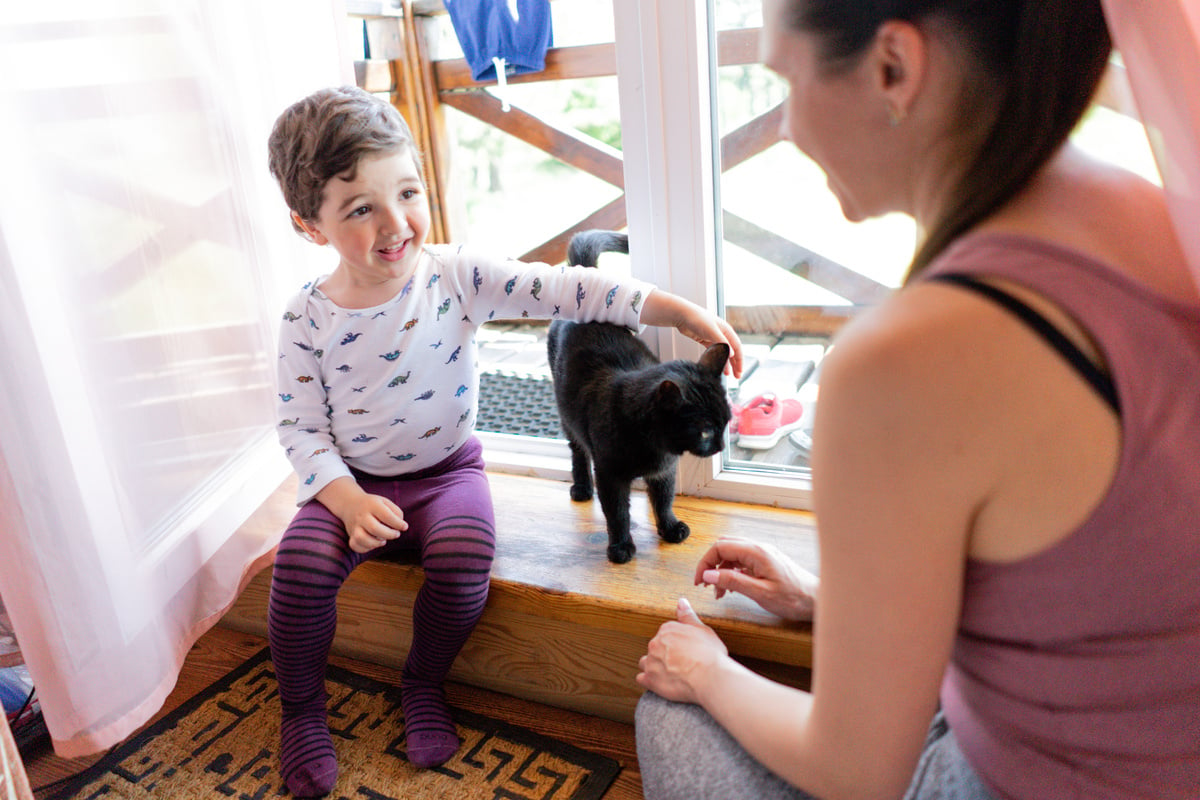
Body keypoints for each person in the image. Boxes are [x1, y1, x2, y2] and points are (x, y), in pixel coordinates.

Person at [634, 1, 1200, 799]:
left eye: (788, 81)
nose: (789, 127)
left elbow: (857, 772)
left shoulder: (907, 357)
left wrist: (709, 674)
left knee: (668, 717)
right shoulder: (1143, 207)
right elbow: (1098, 589)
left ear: (894, 66)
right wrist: (828, 601)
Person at [264, 85, 742, 798]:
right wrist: (341, 496)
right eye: (361, 208)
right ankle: (301, 711)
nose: (397, 224)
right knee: (295, 570)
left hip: (446, 475)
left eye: (408, 192)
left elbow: (569, 290)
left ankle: (422, 683)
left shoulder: (455, 276)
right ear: (309, 226)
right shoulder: (306, 317)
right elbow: (298, 424)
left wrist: (678, 311)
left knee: (465, 560)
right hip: (349, 486)